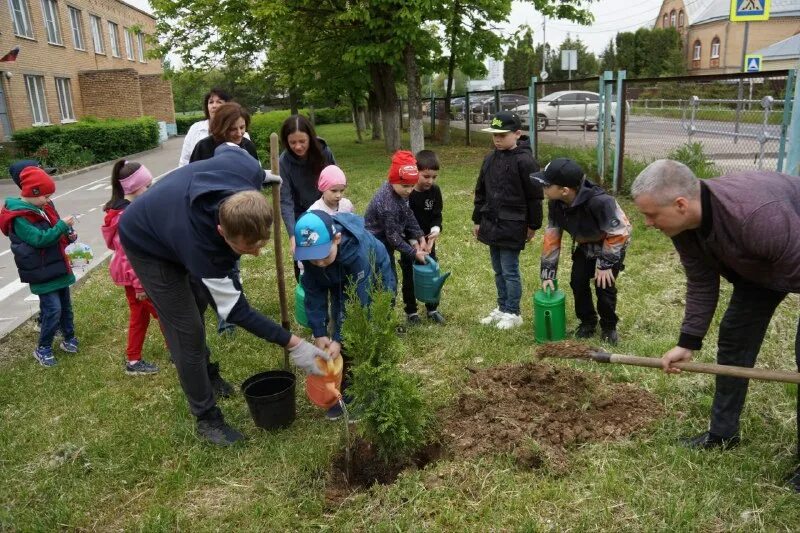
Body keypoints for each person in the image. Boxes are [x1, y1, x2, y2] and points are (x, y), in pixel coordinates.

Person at [119, 144, 331, 446]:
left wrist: (261, 176)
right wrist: (295, 344)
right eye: (247, 248)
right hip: (146, 239)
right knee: (187, 329)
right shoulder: (204, 249)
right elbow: (235, 311)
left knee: (202, 298)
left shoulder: (242, 168)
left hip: (175, 216)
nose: (256, 254)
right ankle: (208, 419)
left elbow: (225, 149)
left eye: (261, 244)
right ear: (222, 232)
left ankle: (207, 374)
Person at [631, 159, 800, 491]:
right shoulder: (683, 227)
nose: (648, 224)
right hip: (760, 268)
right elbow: (701, 281)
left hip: (790, 249)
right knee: (734, 338)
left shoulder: (756, 217)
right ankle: (723, 433)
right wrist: (688, 341)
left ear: (680, 204)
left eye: (651, 215)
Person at [294, 210, 395, 419]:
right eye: (313, 260)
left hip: (373, 273)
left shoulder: (357, 254)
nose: (319, 263)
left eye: (323, 256)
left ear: (337, 239)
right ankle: (347, 388)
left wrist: (338, 338)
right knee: (337, 319)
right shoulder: (314, 258)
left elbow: (357, 302)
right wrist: (320, 332)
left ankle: (370, 385)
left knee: (370, 323)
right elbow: (313, 295)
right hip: (338, 276)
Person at [535, 158, 631, 345]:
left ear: (565, 190)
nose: (543, 188)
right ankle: (587, 322)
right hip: (585, 246)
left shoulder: (601, 202)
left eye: (546, 185)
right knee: (577, 282)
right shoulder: (556, 204)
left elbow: (620, 232)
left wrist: (605, 264)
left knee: (604, 287)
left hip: (610, 246)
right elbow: (552, 237)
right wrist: (548, 273)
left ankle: (609, 327)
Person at [0, 167, 79, 366]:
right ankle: (43, 347)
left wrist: (68, 235)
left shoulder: (42, 207)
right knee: (52, 309)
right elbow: (39, 239)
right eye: (45, 196)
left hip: (57, 266)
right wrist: (61, 226)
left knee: (65, 307)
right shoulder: (19, 217)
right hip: (41, 271)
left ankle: (69, 338)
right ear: (32, 192)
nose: (48, 199)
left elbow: (54, 231)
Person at [473, 111, 542, 330]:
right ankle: (502, 307)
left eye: (503, 135)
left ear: (517, 134)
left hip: (513, 225)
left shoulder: (526, 161)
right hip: (491, 223)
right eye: (494, 135)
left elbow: (535, 196)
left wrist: (533, 225)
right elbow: (480, 191)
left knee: (510, 270)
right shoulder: (490, 158)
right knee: (498, 269)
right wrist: (477, 219)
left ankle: (514, 312)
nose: (497, 139)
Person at [101, 160, 162, 375]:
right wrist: (139, 286)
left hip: (132, 278)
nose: (149, 188)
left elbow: (114, 246)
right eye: (147, 185)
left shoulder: (119, 213)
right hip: (137, 278)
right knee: (165, 314)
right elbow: (129, 255)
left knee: (139, 316)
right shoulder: (127, 217)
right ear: (134, 187)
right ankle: (181, 350)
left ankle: (133, 360)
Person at [278, 114, 337, 279]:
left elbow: (335, 181)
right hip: (301, 213)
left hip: (325, 208)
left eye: (302, 141)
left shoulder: (324, 151)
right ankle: (304, 288)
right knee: (304, 256)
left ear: (310, 138)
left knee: (329, 249)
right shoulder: (283, 162)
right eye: (292, 142)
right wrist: (292, 234)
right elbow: (285, 201)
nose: (297, 147)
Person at [364, 150, 428, 292]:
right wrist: (413, 253)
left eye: (412, 186)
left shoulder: (399, 190)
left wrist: (419, 234)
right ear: (393, 180)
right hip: (376, 244)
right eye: (405, 186)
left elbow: (407, 212)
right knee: (386, 280)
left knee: (388, 278)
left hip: (387, 238)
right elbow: (393, 237)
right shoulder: (388, 204)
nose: (409, 190)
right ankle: (384, 305)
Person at [400, 149, 445, 325]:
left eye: (434, 177)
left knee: (432, 273)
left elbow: (437, 214)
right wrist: (415, 242)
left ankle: (432, 308)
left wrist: (434, 232)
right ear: (415, 172)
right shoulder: (407, 194)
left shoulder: (435, 191)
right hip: (410, 244)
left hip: (428, 244)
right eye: (426, 176)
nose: (430, 181)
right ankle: (411, 312)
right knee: (409, 276)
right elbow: (403, 222)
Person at [178, 88, 250, 167]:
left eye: (219, 102)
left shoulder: (244, 139)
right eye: (211, 102)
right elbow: (185, 160)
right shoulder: (196, 130)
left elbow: (255, 168)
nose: (214, 106)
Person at [189, 102, 259, 163]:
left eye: (242, 127)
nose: (239, 133)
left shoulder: (248, 146)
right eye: (232, 129)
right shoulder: (203, 147)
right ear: (220, 128)